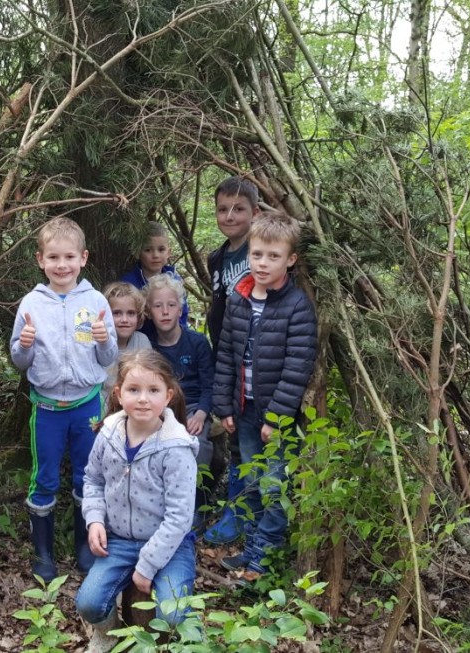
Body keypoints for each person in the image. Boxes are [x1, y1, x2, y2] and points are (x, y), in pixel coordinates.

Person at [212, 209, 317, 582]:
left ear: (290, 260)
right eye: (257, 254)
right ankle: (253, 548)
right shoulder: (239, 299)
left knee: (274, 485)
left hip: (274, 415)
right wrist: (223, 405)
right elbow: (225, 352)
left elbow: (297, 367)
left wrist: (277, 417)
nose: (263, 263)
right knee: (253, 484)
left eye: (273, 256)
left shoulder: (296, 307)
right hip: (244, 409)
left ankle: (264, 559)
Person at [10, 217, 118, 580]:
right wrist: (23, 345)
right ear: (41, 260)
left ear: (83, 258)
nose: (61, 265)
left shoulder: (96, 300)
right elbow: (19, 362)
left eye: (69, 257)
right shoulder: (31, 303)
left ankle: (86, 544)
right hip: (47, 408)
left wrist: (104, 338)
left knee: (88, 475)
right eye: (53, 257)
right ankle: (43, 552)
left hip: (88, 406)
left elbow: (108, 358)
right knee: (44, 478)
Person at [75, 350, 198, 653]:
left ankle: (183, 643)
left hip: (170, 546)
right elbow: (93, 479)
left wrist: (147, 565)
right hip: (119, 540)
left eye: (153, 390)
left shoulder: (175, 447)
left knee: (173, 614)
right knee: (89, 603)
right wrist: (94, 520)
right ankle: (109, 634)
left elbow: (179, 516)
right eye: (134, 390)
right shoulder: (108, 435)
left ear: (168, 396)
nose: (143, 399)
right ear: (118, 394)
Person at [203, 175, 262, 545]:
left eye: (239, 209)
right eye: (223, 209)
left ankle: (248, 514)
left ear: (255, 212)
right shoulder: (219, 257)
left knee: (255, 443)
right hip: (229, 356)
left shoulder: (261, 251)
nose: (230, 216)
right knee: (239, 437)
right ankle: (237, 510)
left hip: (258, 359)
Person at [145, 274, 215, 526]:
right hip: (159, 409)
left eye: (171, 305)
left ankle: (195, 505)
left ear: (181, 308)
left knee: (200, 446)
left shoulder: (196, 342)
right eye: (157, 306)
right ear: (148, 310)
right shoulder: (148, 345)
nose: (165, 312)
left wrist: (202, 413)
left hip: (194, 407)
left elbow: (210, 385)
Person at [120, 221, 189, 337]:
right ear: (138, 252)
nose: (155, 255)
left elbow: (183, 315)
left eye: (161, 249)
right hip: (140, 343)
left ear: (168, 253)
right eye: (148, 250)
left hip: (171, 341)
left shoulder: (175, 282)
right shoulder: (128, 284)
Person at [101, 282, 152, 397]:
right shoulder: (99, 343)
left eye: (131, 313)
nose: (124, 319)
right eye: (117, 313)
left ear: (138, 316)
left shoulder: (142, 341)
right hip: (103, 406)